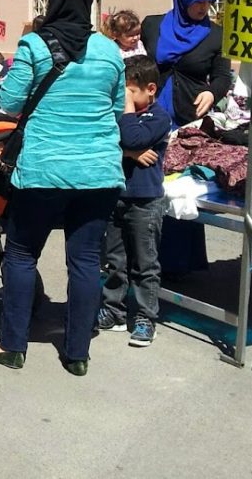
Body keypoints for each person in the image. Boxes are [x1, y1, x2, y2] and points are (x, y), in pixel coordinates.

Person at [0, 0, 124, 376]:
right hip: (99, 171)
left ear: (54, 1)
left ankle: (11, 344)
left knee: (22, 253)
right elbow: (116, 109)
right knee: (86, 260)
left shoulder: (35, 45)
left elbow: (9, 102)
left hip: (44, 169)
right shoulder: (109, 50)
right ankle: (77, 354)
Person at [141, 0, 232, 274]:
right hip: (150, 116)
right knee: (147, 186)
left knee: (180, 189)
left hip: (187, 121)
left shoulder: (216, 35)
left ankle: (178, 264)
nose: (203, 8)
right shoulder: (152, 25)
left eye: (208, 2)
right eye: (198, 2)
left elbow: (222, 76)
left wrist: (212, 92)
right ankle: (141, 258)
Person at [97, 55, 171, 347]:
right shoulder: (120, 115)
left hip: (145, 201)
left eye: (129, 92)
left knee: (144, 263)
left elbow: (133, 138)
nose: (124, 99)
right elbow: (105, 139)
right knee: (115, 261)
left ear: (150, 89)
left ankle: (145, 317)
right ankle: (113, 309)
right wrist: (128, 154)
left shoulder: (159, 117)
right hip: (116, 195)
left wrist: (128, 135)